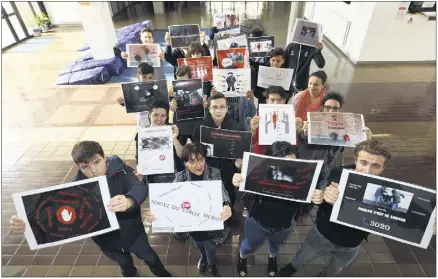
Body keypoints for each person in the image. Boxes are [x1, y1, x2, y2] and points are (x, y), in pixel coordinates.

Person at [9, 141, 171, 277]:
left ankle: (162, 274)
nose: (93, 170)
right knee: (124, 263)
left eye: (96, 162)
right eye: (85, 166)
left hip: (134, 233)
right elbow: (51, 211)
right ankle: (130, 274)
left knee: (149, 257)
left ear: (104, 158)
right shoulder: (74, 188)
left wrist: (130, 201)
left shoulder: (120, 170)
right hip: (105, 240)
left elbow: (138, 187)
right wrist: (27, 222)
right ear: (79, 167)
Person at [278, 140, 392, 277]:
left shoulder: (388, 190)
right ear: (355, 159)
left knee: (335, 267)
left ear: (383, 168)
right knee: (304, 254)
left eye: (376, 166)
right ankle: (292, 267)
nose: (367, 171)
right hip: (323, 232)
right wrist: (322, 196)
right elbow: (323, 193)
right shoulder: (338, 173)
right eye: (363, 163)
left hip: (352, 242)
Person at [232, 141, 335, 277]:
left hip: (284, 226)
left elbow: (315, 193)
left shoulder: (303, 179)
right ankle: (242, 257)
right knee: (249, 246)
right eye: (280, 163)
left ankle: (272, 257)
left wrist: (317, 196)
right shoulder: (258, 172)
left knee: (275, 246)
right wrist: (238, 178)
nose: (285, 168)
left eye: (291, 163)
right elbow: (244, 185)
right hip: (256, 223)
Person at [144, 143, 232, 277]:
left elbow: (223, 192)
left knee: (211, 248)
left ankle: (212, 264)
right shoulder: (180, 177)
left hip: (211, 225)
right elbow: (169, 201)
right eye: (192, 161)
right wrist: (157, 214)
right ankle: (203, 257)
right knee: (200, 245)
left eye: (201, 159)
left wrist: (226, 204)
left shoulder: (214, 173)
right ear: (185, 163)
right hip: (193, 226)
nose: (198, 165)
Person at [295, 92, 373, 223]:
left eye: (335, 108)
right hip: (310, 166)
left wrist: (366, 139)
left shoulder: (345, 125)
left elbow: (358, 147)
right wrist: (303, 131)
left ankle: (306, 210)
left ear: (340, 110)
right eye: (328, 107)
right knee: (303, 190)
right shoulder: (313, 122)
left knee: (318, 193)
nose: (331, 111)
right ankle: (297, 211)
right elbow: (301, 138)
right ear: (322, 108)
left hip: (329, 168)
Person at [192, 93, 243, 227]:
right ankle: (210, 221)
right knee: (209, 198)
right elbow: (196, 151)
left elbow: (241, 151)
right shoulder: (200, 128)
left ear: (227, 108)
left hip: (228, 170)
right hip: (207, 170)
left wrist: (239, 161)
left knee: (229, 195)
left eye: (222, 107)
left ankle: (228, 219)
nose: (218, 110)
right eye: (214, 107)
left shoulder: (237, 127)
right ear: (209, 109)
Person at [137, 100, 185, 181]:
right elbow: (139, 158)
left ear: (167, 117)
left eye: (163, 116)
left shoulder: (172, 129)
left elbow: (182, 155)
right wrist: (140, 170)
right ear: (149, 115)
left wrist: (174, 138)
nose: (159, 119)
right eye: (155, 115)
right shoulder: (143, 134)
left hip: (175, 176)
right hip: (152, 176)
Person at [249, 86, 293, 155]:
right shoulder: (259, 116)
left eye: (279, 100)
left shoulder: (290, 116)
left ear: (284, 101)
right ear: (267, 101)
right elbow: (251, 143)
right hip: (262, 153)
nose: (276, 103)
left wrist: (297, 129)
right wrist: (253, 130)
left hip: (283, 153)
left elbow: (295, 144)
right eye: (272, 100)